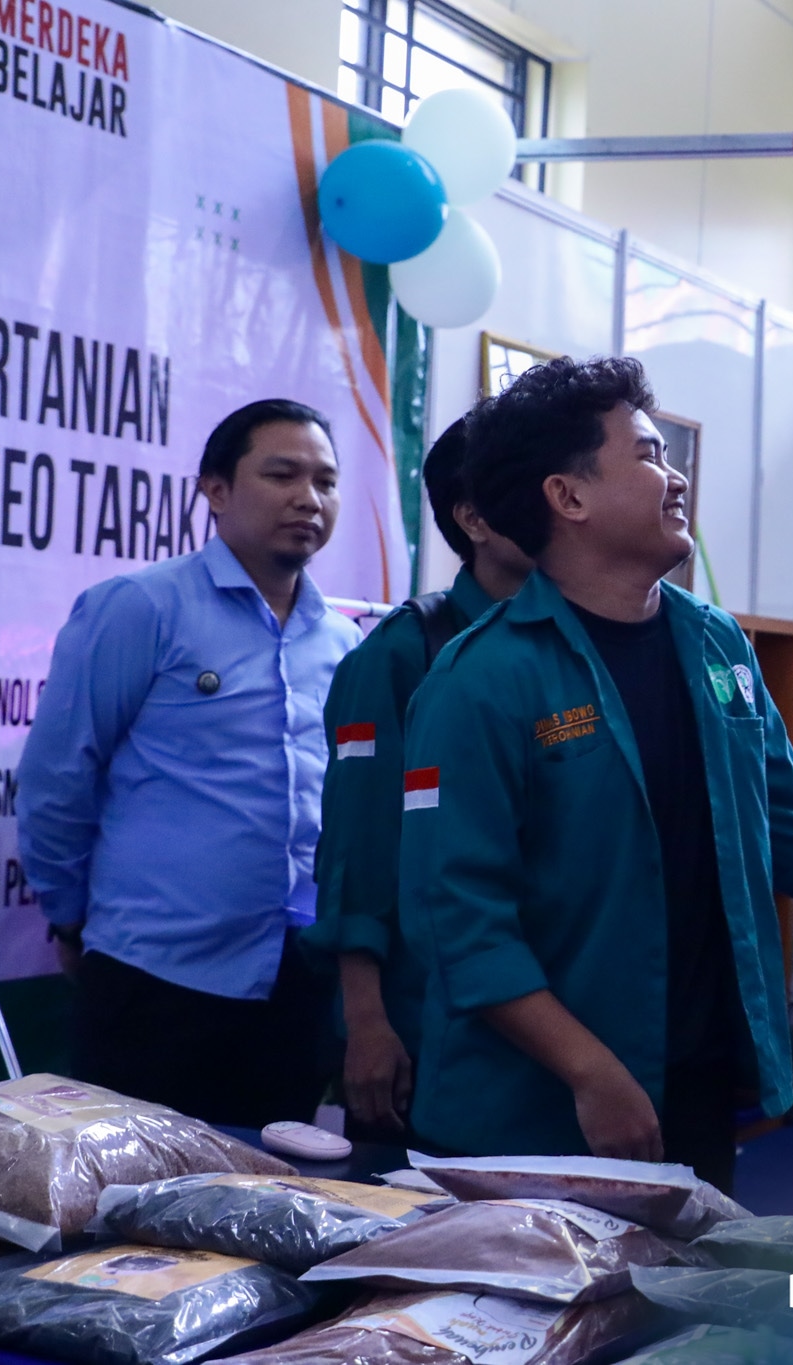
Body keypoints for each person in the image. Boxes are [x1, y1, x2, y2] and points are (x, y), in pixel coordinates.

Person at [396, 356, 793, 1191]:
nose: (676, 478)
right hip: (536, 1109)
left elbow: (791, 829)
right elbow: (462, 924)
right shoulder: (479, 680)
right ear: (568, 496)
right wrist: (591, 1071)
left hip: (694, 1077)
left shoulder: (716, 644)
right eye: (648, 454)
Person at [18, 399, 362, 1127]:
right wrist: (70, 917)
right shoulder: (140, 607)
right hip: (155, 976)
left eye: (326, 482)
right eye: (283, 475)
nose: (309, 498)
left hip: (295, 981)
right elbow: (58, 778)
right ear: (216, 489)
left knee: (268, 1188)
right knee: (133, 1192)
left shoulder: (342, 642)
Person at [306, 417, 534, 1138]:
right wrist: (366, 1022)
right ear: (474, 519)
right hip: (428, 1021)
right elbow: (358, 850)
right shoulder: (403, 652)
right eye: (538, 483)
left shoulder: (575, 644)